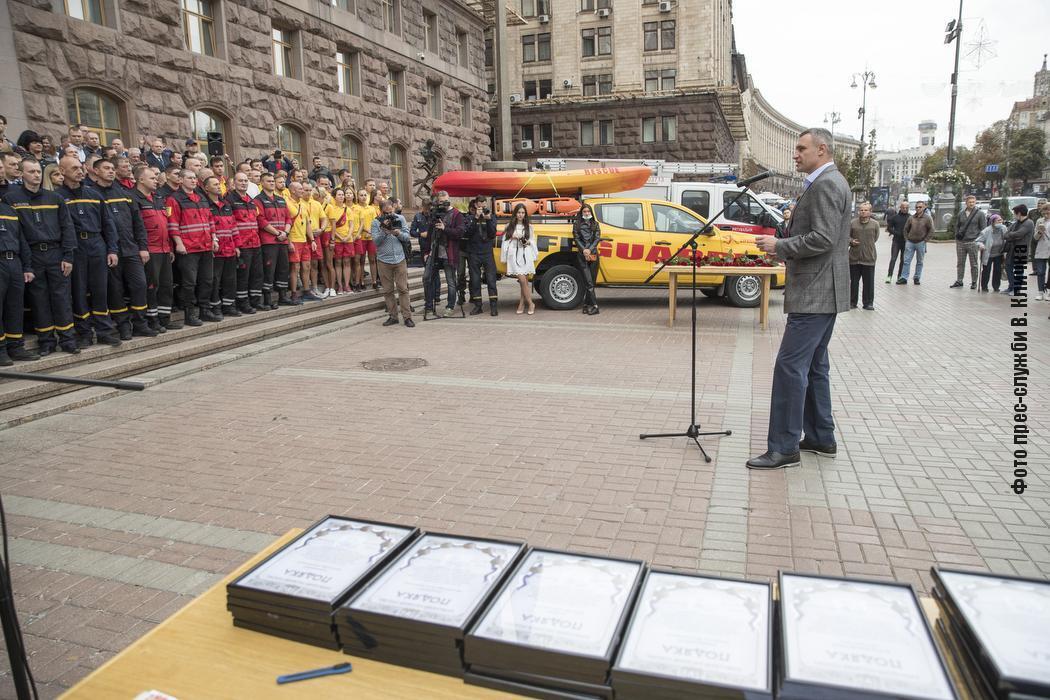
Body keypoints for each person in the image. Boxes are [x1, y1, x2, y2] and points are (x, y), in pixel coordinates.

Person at [747, 128, 851, 470]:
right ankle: (821, 437)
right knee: (815, 367)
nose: (796, 154)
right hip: (823, 292)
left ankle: (784, 447)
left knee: (790, 368)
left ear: (822, 150)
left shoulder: (826, 184)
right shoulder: (827, 183)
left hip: (815, 294)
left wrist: (780, 246)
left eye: (801, 148)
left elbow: (822, 238)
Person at [3, 158, 80, 355]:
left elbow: (67, 228)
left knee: (62, 297)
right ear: (21, 174)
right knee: (39, 299)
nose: (36, 175)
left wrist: (68, 256)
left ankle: (67, 339)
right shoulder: (12, 199)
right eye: (31, 172)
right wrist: (26, 264)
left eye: (38, 171)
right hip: (32, 254)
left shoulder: (55, 198)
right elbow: (16, 232)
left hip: (56, 253)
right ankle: (46, 341)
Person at [55, 155, 122, 347]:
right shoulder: (57, 197)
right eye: (74, 168)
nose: (80, 171)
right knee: (79, 291)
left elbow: (108, 224)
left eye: (81, 167)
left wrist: (112, 249)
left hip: (96, 244)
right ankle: (84, 332)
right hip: (75, 247)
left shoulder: (94, 194)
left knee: (100, 289)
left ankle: (104, 330)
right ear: (62, 171)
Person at [93, 157, 156, 339]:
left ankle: (140, 323)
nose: (111, 171)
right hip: (109, 251)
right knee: (116, 289)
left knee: (140, 285)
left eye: (113, 168)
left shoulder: (125, 193)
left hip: (131, 249)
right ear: (96, 171)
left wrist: (142, 246)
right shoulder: (92, 194)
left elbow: (138, 223)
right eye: (106, 168)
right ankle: (123, 325)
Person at [167, 169, 220, 326]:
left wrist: (214, 238)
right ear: (181, 180)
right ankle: (189, 313)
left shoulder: (201, 197)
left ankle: (204, 310)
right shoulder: (174, 199)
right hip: (188, 247)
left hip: (205, 246)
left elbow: (210, 220)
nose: (193, 180)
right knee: (189, 283)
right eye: (189, 178)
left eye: (194, 178)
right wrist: (178, 243)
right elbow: (172, 223)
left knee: (207, 280)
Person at [131, 164, 179, 332]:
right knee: (152, 286)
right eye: (152, 178)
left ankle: (164, 318)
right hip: (149, 250)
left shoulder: (158, 198)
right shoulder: (134, 199)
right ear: (140, 179)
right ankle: (152, 320)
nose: (156, 181)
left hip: (165, 249)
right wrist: (142, 248)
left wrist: (171, 247)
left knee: (166, 285)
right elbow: (137, 227)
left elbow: (165, 223)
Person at [0, 198, 40, 364]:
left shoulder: (9, 209)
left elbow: (21, 240)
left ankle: (16, 346)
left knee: (15, 307)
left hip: (14, 262)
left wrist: (27, 267)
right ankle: (1, 349)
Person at [372, 200, 413, 327]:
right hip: (384, 260)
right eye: (387, 213)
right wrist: (384, 230)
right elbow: (376, 242)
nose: (390, 215)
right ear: (381, 212)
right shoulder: (376, 222)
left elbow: (407, 237)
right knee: (388, 290)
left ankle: (407, 317)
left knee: (403, 289)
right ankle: (393, 316)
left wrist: (398, 233)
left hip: (399, 259)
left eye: (391, 212)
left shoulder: (400, 218)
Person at [423, 190, 464, 317]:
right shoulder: (435, 213)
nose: (442, 204)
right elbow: (429, 234)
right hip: (435, 251)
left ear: (449, 199)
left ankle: (450, 306)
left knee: (450, 282)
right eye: (440, 202)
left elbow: (460, 232)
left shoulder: (456, 214)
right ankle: (429, 307)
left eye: (445, 201)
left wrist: (445, 229)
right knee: (427, 278)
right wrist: (426, 251)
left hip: (449, 253)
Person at [227, 171, 263, 313]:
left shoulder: (251, 201)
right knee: (243, 276)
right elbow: (230, 224)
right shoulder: (229, 200)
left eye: (245, 181)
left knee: (257, 274)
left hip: (256, 243)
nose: (243, 183)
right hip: (242, 244)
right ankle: (243, 303)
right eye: (240, 181)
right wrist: (236, 244)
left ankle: (255, 301)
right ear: (234, 183)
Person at [255, 171, 292, 308]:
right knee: (269, 270)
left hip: (283, 240)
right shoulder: (258, 200)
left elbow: (288, 218)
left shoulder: (281, 199)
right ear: (262, 183)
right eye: (268, 181)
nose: (271, 183)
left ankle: (283, 296)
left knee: (283, 268)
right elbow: (261, 220)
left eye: (272, 181)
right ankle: (268, 299)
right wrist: (277, 233)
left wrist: (285, 233)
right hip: (269, 241)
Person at [462, 196, 499, 316]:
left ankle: (494, 306)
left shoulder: (491, 216)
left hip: (487, 252)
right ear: (476, 205)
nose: (482, 206)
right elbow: (467, 233)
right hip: (473, 252)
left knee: (491, 279)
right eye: (480, 203)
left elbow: (492, 234)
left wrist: (488, 220)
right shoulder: (469, 218)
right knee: (475, 280)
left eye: (484, 203)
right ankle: (478, 306)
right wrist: (476, 218)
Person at [501, 203, 538, 315]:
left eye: (523, 213)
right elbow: (505, 241)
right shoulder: (509, 226)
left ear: (525, 214)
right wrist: (512, 237)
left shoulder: (529, 227)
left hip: (525, 254)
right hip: (514, 255)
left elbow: (532, 241)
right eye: (519, 212)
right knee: (522, 280)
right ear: (515, 213)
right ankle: (531, 303)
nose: (521, 215)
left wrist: (527, 242)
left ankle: (522, 304)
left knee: (525, 281)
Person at [284, 180, 316, 304]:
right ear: (292, 190)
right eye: (300, 189)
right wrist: (289, 241)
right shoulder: (286, 202)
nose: (303, 191)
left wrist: (312, 239)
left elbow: (307, 223)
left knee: (306, 266)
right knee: (295, 267)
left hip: (304, 240)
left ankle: (307, 291)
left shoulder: (302, 204)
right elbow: (285, 222)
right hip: (294, 239)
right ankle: (294, 293)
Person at [848, 201, 879, 310]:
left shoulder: (875, 224)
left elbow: (875, 238)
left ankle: (868, 303)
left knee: (869, 283)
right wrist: (851, 241)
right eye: (861, 210)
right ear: (858, 211)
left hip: (869, 258)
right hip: (854, 258)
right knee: (853, 282)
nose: (863, 212)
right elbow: (846, 236)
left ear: (870, 212)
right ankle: (852, 302)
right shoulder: (852, 223)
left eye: (866, 210)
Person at [951, 194, 985, 289]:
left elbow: (983, 229)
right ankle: (959, 280)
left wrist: (980, 241)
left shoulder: (980, 214)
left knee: (974, 264)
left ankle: (974, 282)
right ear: (966, 203)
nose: (971, 204)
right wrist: (957, 238)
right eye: (970, 202)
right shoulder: (961, 213)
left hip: (973, 242)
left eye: (973, 202)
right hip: (961, 242)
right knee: (960, 263)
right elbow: (957, 226)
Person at [572, 202, 601, 315]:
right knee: (588, 282)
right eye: (584, 211)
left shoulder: (595, 224)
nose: (586, 213)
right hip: (582, 255)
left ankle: (586, 305)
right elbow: (576, 238)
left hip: (593, 255)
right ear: (581, 213)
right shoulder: (577, 224)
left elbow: (597, 238)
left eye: (588, 211)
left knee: (591, 282)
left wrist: (589, 249)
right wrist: (584, 249)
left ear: (591, 213)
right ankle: (595, 306)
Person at [327, 187, 354, 294]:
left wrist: (347, 236)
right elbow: (331, 225)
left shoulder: (348, 209)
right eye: (339, 195)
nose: (342, 197)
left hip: (348, 239)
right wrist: (338, 237)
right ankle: (340, 286)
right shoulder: (331, 208)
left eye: (343, 195)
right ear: (334, 197)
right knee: (337, 262)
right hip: (337, 240)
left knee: (347, 262)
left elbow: (352, 225)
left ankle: (347, 285)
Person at [898, 200, 932, 285]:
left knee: (920, 261)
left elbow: (931, 230)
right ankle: (904, 278)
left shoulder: (927, 218)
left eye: (920, 207)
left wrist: (925, 240)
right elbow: (905, 229)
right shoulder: (911, 218)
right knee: (906, 261)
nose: (918, 208)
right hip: (910, 242)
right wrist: (906, 239)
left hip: (921, 242)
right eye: (916, 207)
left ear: (924, 207)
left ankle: (917, 277)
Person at [1003, 204, 1034, 296]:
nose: (1014, 215)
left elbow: (1019, 234)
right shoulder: (1015, 223)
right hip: (1011, 249)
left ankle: (1017, 289)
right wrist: (1011, 235)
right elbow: (1006, 234)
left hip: (1021, 249)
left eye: (1014, 213)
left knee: (1019, 270)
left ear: (1019, 213)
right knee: (1008, 267)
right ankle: (1011, 287)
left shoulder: (1029, 223)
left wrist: (1010, 235)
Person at [975, 213, 1007, 293]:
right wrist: (981, 245)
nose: (1000, 222)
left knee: (997, 270)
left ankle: (996, 287)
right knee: (986, 271)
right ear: (992, 222)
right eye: (998, 221)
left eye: (1001, 220)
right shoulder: (986, 231)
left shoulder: (1003, 228)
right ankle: (984, 287)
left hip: (999, 254)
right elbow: (977, 241)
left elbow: (1006, 238)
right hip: (988, 254)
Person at [356, 188, 380, 290]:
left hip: (371, 237)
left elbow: (375, 222)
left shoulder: (371, 208)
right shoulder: (355, 208)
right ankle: (361, 281)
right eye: (361, 195)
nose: (363, 197)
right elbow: (357, 224)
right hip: (360, 237)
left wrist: (371, 231)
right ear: (357, 196)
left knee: (372, 259)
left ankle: (374, 281)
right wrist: (366, 231)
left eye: (365, 195)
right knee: (361, 260)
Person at [884, 200, 908, 283]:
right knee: (893, 258)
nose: (904, 209)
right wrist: (896, 233)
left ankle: (899, 276)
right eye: (903, 207)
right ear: (900, 208)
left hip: (906, 242)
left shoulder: (910, 217)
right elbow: (889, 228)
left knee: (903, 259)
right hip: (896, 241)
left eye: (906, 208)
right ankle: (889, 276)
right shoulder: (895, 217)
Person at [1034, 203, 1050, 301]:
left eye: (1048, 211)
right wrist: (1039, 231)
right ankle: (1040, 292)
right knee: (1040, 271)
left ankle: (1048, 291)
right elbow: (1035, 238)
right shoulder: (1039, 221)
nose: (1046, 213)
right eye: (1044, 211)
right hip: (1041, 248)